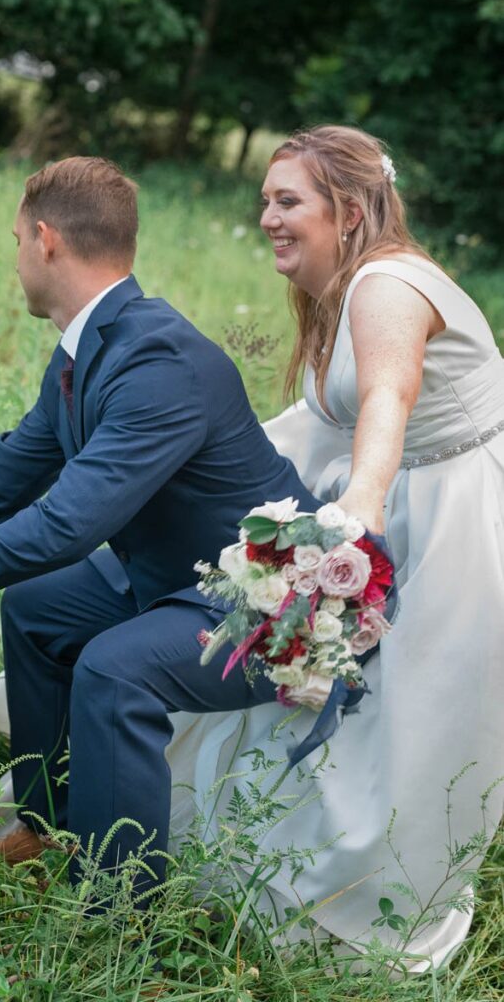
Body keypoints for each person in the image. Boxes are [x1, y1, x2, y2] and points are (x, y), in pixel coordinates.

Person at [0, 156, 322, 896]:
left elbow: (65, 526)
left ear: (45, 239)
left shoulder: (157, 361)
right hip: (179, 575)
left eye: (16, 238)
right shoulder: (96, 345)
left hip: (268, 602)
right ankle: (45, 825)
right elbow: (4, 475)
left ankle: (119, 911)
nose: (17, 255)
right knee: (36, 607)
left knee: (113, 668)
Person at [164, 125, 504, 968]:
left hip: (463, 518)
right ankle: (271, 874)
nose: (267, 218)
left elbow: (387, 399)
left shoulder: (386, 284)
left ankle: (373, 924)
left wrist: (360, 501)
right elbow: (311, 427)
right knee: (311, 697)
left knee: (413, 726)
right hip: (406, 504)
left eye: (287, 201)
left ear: (346, 211)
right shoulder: (334, 294)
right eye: (264, 201)